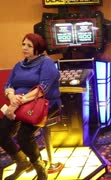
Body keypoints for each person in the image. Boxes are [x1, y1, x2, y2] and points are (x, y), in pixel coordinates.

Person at [0, 33, 61, 180]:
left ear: (38, 48)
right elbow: (8, 84)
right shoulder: (19, 65)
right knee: (1, 133)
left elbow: (42, 89)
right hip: (18, 104)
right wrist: (11, 96)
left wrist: (19, 101)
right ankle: (21, 162)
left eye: (29, 46)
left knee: (24, 136)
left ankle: (40, 168)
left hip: (43, 104)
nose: (24, 48)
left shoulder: (46, 63)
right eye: (23, 44)